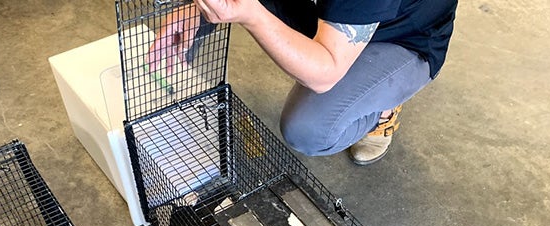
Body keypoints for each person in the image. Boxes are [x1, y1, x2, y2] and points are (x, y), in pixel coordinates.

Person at [148, 0, 458, 166]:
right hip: (340, 11)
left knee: (309, 127)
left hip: (403, 38)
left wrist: (252, 15)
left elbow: (326, 71)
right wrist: (195, 12)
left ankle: (383, 108)